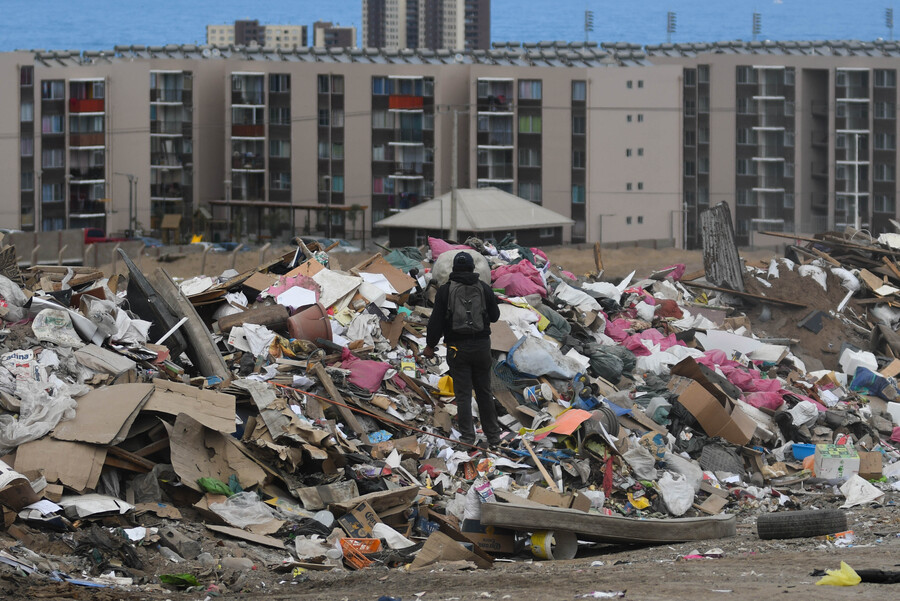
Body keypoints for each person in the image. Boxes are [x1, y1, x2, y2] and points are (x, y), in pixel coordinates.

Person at [424, 252, 502, 448]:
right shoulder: (484, 288)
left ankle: (467, 439)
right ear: (472, 268)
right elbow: (494, 316)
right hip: (482, 347)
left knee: (463, 394)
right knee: (484, 391)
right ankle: (493, 437)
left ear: (454, 269)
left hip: (457, 348)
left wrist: (430, 346)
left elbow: (436, 322)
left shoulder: (445, 291)